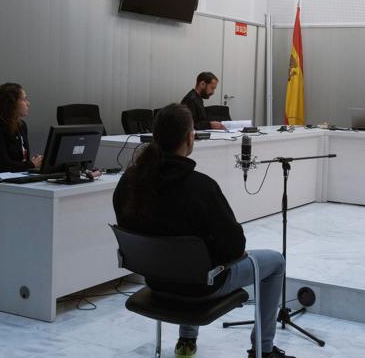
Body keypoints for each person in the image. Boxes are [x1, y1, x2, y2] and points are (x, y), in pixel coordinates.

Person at [112, 104, 295, 358]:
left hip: (156, 280)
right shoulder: (201, 188)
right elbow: (235, 248)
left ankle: (187, 341)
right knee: (275, 262)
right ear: (190, 138)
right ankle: (263, 350)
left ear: (155, 138)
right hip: (202, 288)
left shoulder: (129, 183)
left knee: (189, 260)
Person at [0, 83, 43, 172]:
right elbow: (3, 165)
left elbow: (21, 160)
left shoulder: (21, 125)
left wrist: (34, 162)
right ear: (11, 103)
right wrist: (32, 164)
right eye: (24, 99)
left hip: (16, 177)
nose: (28, 103)